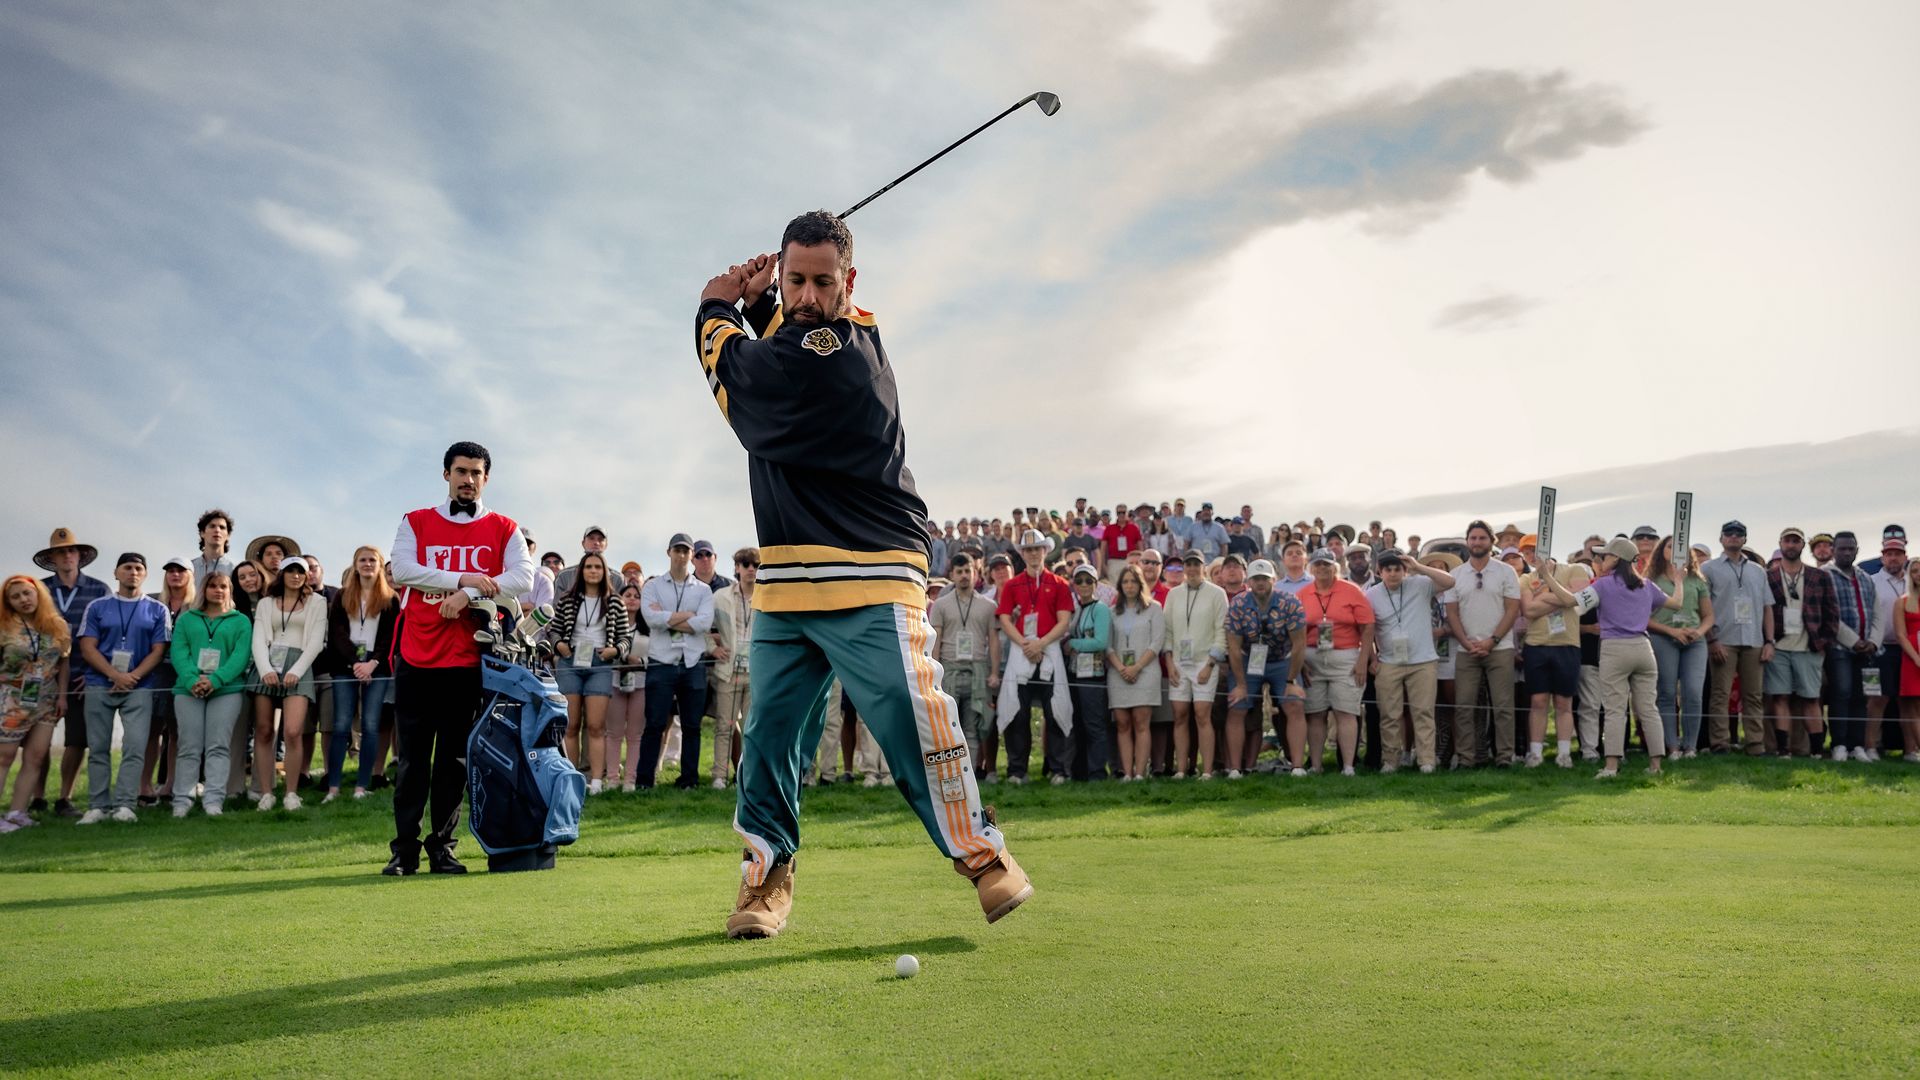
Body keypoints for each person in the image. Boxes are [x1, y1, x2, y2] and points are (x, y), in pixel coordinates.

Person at [697, 217, 1028, 938]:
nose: (809, 295)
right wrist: (757, 309)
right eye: (795, 281)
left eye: (823, 281)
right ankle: (766, 877)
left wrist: (717, 306)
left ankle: (983, 855)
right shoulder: (798, 335)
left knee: (911, 715)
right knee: (769, 738)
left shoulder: (838, 348)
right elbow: (775, 350)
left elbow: (752, 386)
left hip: (868, 569)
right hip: (788, 578)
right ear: (782, 278)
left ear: (851, 283)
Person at [384, 440, 534, 875]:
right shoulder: (416, 521)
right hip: (416, 655)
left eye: (476, 473)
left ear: (486, 478)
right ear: (446, 474)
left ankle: (442, 847)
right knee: (411, 761)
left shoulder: (505, 527)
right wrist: (465, 577)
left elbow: (523, 578)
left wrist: (466, 594)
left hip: (469, 659)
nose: (468, 480)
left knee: (453, 760)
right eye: (460, 471)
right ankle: (404, 851)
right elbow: (404, 569)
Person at [1536, 540, 1685, 777]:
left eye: (1603, 557)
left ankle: (1611, 767)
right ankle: (1656, 766)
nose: (1599, 560)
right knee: (1648, 709)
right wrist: (1678, 579)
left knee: (1615, 710)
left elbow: (1569, 601)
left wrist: (1546, 575)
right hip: (1644, 649)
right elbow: (1677, 603)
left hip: (1615, 649)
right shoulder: (1646, 585)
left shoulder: (1603, 585)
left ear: (1616, 559)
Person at [75, 553, 172, 824]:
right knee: (98, 746)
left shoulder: (157, 609)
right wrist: (114, 674)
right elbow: (87, 647)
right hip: (99, 684)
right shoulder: (97, 606)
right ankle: (97, 805)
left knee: (135, 746)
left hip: (140, 686)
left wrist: (132, 676)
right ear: (116, 573)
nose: (133, 572)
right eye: (127, 568)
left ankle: (125, 805)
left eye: (138, 568)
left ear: (145, 574)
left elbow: (159, 650)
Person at [34, 527, 109, 819]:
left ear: (80, 555)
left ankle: (64, 797)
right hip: (42, 677)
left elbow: (108, 634)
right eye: (60, 551)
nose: (67, 555)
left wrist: (93, 671)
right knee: (38, 742)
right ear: (52, 557)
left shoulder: (99, 590)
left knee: (77, 740)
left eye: (71, 550)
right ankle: (37, 797)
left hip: (82, 676)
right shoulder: (39, 589)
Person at [165, 571, 250, 817]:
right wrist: (193, 679)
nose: (218, 590)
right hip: (188, 689)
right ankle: (182, 800)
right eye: (212, 586)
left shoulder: (241, 621)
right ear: (204, 589)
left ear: (230, 591)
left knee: (218, 746)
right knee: (189, 746)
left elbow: (240, 656)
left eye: (223, 586)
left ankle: (213, 800)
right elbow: (179, 652)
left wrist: (215, 679)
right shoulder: (187, 619)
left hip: (227, 689)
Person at [995, 529, 1074, 785]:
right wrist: (1025, 644)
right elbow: (1005, 618)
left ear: (1045, 551)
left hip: (1048, 649)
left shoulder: (1060, 584)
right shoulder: (1012, 584)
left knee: (1055, 710)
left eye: (1037, 549)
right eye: (1028, 550)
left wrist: (1041, 643)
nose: (1033, 554)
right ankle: (1017, 770)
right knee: (1018, 712)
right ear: (1023, 553)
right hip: (1022, 650)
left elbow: (1064, 620)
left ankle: (1058, 768)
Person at [247, 558, 325, 810]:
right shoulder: (266, 603)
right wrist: (265, 669)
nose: (296, 575)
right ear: (282, 574)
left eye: (300, 571)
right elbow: (258, 639)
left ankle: (291, 793)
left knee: (292, 731)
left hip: (298, 665)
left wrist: (297, 670)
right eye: (290, 570)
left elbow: (316, 641)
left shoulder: (317, 602)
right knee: (264, 730)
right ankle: (266, 793)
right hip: (268, 666)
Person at [551, 552, 632, 794]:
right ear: (581, 571)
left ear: (604, 571)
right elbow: (554, 630)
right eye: (588, 567)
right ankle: (571, 778)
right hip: (569, 661)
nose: (593, 571)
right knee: (570, 725)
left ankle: (596, 781)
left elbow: (626, 637)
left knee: (596, 726)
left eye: (597, 567)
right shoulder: (567, 600)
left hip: (600, 662)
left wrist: (614, 650)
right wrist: (559, 645)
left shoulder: (615, 601)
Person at [1366, 553, 1455, 774]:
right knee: (1389, 714)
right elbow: (1366, 629)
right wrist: (1372, 657)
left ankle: (1426, 760)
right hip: (1388, 661)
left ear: (1404, 570)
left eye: (1397, 569)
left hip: (1423, 660)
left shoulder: (1420, 584)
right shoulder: (1370, 595)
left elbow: (1450, 582)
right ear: (1380, 571)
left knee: (1423, 712)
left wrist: (1418, 567)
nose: (1393, 573)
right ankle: (1391, 761)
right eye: (1388, 570)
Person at [1445, 521, 1523, 767]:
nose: (1477, 542)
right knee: (1464, 707)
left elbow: (1512, 610)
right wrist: (1467, 643)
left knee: (1502, 707)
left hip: (1499, 648)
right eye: (1473, 538)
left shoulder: (1505, 572)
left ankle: (1504, 757)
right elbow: (1452, 613)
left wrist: (1493, 641)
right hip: (1466, 650)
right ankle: (1467, 758)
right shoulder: (1456, 575)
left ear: (1491, 542)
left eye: (1482, 538)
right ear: (1467, 542)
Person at [324, 546, 399, 801]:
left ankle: (361, 786)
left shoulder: (390, 599)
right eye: (362, 560)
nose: (367, 564)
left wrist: (372, 663)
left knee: (370, 725)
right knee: (342, 724)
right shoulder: (343, 596)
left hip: (376, 669)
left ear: (379, 565)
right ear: (355, 565)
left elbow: (390, 637)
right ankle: (333, 787)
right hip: (345, 666)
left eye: (372, 560)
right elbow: (337, 633)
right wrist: (357, 661)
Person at [639, 534, 712, 789]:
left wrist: (668, 617)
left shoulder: (703, 589)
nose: (681, 555)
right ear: (668, 552)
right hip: (661, 661)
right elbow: (651, 619)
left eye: (686, 551)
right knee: (655, 724)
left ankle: (689, 780)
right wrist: (686, 616)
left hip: (692, 662)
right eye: (677, 550)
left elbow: (704, 623)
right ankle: (645, 781)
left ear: (692, 555)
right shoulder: (653, 586)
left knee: (692, 725)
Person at [0, 577, 69, 833]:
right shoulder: (4, 627)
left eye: (27, 593)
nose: (23, 600)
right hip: (11, 698)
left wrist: (62, 696)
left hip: (47, 699)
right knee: (4, 757)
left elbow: (64, 663)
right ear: (8, 602)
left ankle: (17, 812)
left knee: (36, 757)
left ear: (38, 594)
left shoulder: (58, 626)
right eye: (15, 597)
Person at [1225, 559, 1306, 778]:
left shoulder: (1290, 602)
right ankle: (1234, 769)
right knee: (1237, 706)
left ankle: (1297, 766)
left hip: (1283, 659)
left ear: (1274, 579)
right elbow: (1233, 647)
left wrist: (1290, 682)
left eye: (1265, 578)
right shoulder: (1239, 604)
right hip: (1248, 659)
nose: (1260, 583)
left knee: (1294, 705)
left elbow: (1299, 645)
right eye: (1256, 579)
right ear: (1248, 581)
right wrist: (1241, 685)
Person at [1299, 549, 1375, 776]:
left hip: (1345, 657)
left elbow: (1368, 625)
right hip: (1313, 657)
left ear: (1335, 567)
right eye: (1318, 564)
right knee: (1315, 713)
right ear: (1311, 567)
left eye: (1327, 565)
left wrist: (1363, 660)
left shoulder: (1351, 591)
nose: (1322, 569)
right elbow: (1299, 631)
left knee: (1346, 711)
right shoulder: (1304, 593)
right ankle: (1315, 765)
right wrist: (1300, 661)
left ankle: (1348, 766)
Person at [1704, 520, 1774, 755]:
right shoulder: (1709, 569)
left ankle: (1755, 743)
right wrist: (1712, 640)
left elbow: (1767, 608)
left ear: (1745, 539)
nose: (1733, 537)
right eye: (1729, 533)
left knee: (1753, 695)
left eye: (1739, 534)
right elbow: (1702, 608)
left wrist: (1769, 641)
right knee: (1720, 694)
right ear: (1721, 538)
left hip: (1753, 639)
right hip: (1723, 638)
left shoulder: (1757, 570)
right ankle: (1720, 743)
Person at [1766, 528, 1838, 758]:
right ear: (1780, 543)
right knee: (1780, 697)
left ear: (1802, 545)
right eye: (1787, 541)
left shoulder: (1820, 576)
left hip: (1809, 646)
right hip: (1778, 645)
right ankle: (1783, 749)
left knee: (1811, 699)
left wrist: (1823, 642)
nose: (1791, 545)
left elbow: (1832, 613)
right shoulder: (1770, 576)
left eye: (1795, 541)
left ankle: (1816, 751)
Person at [930, 554, 1001, 779]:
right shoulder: (941, 604)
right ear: (951, 575)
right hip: (949, 670)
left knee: (973, 728)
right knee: (948, 729)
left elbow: (994, 641)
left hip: (977, 670)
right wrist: (934, 674)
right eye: (959, 572)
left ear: (976, 573)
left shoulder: (988, 606)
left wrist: (994, 672)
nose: (963, 576)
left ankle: (968, 777)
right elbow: (936, 641)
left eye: (967, 571)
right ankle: (949, 776)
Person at [1520, 552, 1594, 768]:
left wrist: (1546, 591)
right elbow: (1530, 611)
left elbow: (1577, 599)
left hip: (1567, 645)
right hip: (1536, 645)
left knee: (1564, 702)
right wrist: (1563, 598)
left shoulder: (1574, 569)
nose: (1532, 555)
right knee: (1538, 701)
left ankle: (1564, 754)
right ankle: (1535, 754)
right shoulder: (1526, 578)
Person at [1163, 549, 1229, 779]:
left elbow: (1222, 631)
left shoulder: (1217, 593)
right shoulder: (1173, 595)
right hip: (1179, 661)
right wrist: (1169, 662)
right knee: (1180, 714)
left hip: (1205, 661)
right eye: (1188, 564)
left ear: (1203, 567)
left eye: (1196, 564)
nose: (1191, 569)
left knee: (1202, 714)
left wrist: (1211, 664)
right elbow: (1168, 631)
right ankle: (1181, 769)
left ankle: (1207, 770)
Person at [1649, 538, 1714, 761]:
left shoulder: (1697, 580)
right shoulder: (1652, 580)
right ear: (1661, 552)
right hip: (1663, 638)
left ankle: (1690, 746)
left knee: (1693, 693)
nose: (1676, 550)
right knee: (1666, 692)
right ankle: (1672, 746)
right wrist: (1671, 631)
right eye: (1670, 546)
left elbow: (1708, 616)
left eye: (1681, 548)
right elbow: (1644, 619)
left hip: (1694, 642)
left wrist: (1700, 631)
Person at [140, 556, 195, 806]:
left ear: (190, 575)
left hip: (182, 672)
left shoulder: (196, 606)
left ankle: (171, 784)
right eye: (171, 571)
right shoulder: (152, 601)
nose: (175, 575)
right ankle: (144, 785)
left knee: (177, 732)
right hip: (154, 671)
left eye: (180, 571)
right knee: (151, 730)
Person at [708, 547, 760, 789]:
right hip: (727, 670)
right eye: (746, 564)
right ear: (737, 568)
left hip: (757, 672)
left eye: (756, 565)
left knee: (752, 728)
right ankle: (719, 775)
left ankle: (748, 776)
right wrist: (712, 648)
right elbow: (702, 627)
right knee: (724, 726)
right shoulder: (720, 596)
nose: (751, 568)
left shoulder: (767, 595)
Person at [1824, 532, 1878, 761]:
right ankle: (1839, 745)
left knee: (1861, 697)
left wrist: (1873, 641)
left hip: (1867, 649)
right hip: (1840, 649)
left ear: (1857, 550)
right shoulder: (1825, 575)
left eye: (1850, 548)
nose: (1846, 552)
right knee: (1841, 693)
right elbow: (1828, 614)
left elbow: (1878, 613)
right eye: (1842, 548)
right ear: (1833, 550)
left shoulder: (1866, 577)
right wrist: (1853, 641)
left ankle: (1857, 745)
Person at [1106, 566, 1163, 782]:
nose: (1129, 586)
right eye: (1125, 582)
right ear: (1120, 586)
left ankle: (1140, 772)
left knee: (1141, 721)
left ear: (1141, 584)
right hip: (1118, 672)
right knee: (1122, 723)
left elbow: (1157, 642)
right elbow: (1108, 645)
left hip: (1145, 671)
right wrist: (1121, 668)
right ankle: (1127, 772)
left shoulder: (1154, 608)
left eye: (1133, 581)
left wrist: (1137, 667)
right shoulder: (1112, 612)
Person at [1058, 563, 1111, 782]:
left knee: (1094, 725)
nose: (1084, 585)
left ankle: (1098, 772)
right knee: (1078, 724)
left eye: (1088, 581)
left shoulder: (1101, 609)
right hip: (1075, 673)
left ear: (1096, 584)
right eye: (1079, 581)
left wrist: (1074, 644)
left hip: (1093, 675)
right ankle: (1080, 772)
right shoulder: (1077, 608)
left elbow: (1100, 642)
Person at [604, 581, 650, 791]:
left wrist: (640, 662)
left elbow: (657, 653)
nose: (631, 599)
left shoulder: (648, 627)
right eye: (627, 595)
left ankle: (630, 779)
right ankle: (613, 778)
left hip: (640, 682)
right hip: (615, 680)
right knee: (613, 732)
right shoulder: (611, 624)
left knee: (635, 734)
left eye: (636, 595)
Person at [1868, 535, 1910, 761]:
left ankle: (1911, 749)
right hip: (1879, 649)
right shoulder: (1872, 580)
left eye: (1897, 554)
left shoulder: (1912, 582)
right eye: (1889, 554)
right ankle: (1871, 746)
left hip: (1909, 650)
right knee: (1876, 698)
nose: (1893, 558)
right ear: (1882, 558)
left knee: (1908, 699)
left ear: (1905, 557)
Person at [1894, 559, 1920, 753]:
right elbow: (1900, 634)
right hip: (1912, 658)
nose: (1918, 575)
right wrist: (1916, 658)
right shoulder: (1902, 601)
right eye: (1915, 571)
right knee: (1913, 706)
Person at [553, 525, 610, 594]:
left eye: (600, 539)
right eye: (591, 538)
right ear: (583, 543)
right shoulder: (564, 576)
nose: (596, 543)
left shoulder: (617, 578)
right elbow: (557, 604)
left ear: (606, 545)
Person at [192, 509, 236, 591]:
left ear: (228, 535)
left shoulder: (234, 571)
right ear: (202, 533)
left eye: (222, 527)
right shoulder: (189, 568)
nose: (217, 530)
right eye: (212, 526)